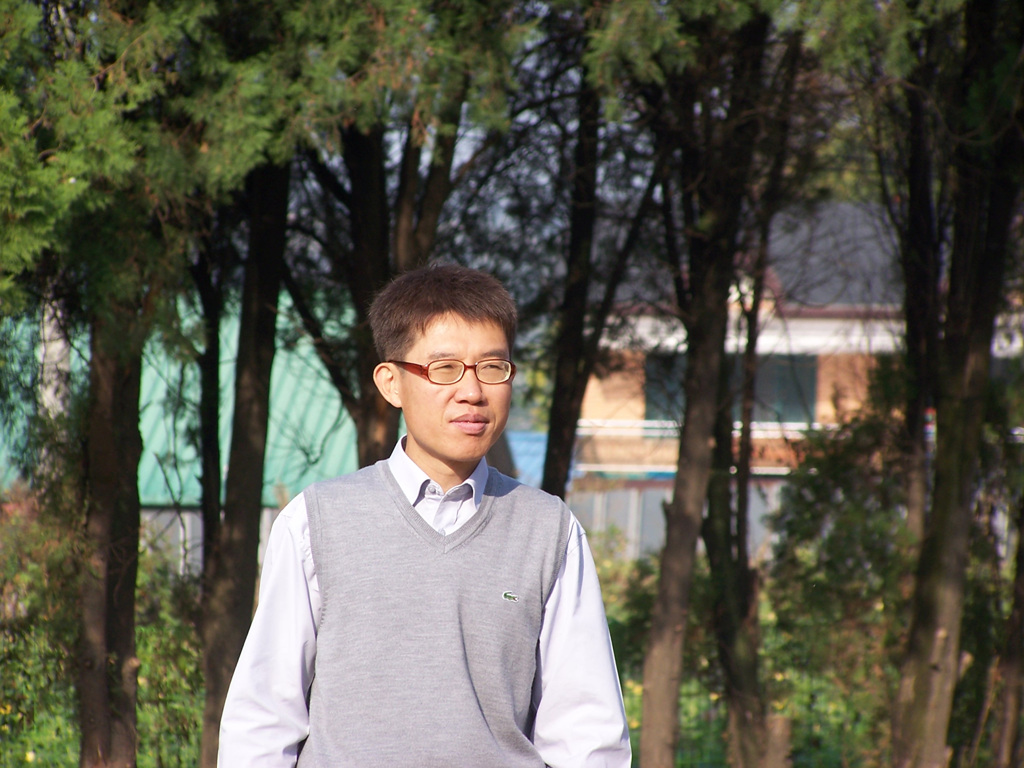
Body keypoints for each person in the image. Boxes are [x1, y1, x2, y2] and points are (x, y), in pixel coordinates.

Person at [218, 264, 631, 767]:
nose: (472, 391)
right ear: (391, 383)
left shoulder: (549, 531)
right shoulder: (316, 522)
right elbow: (263, 721)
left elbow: (586, 733)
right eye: (445, 368)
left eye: (492, 367)